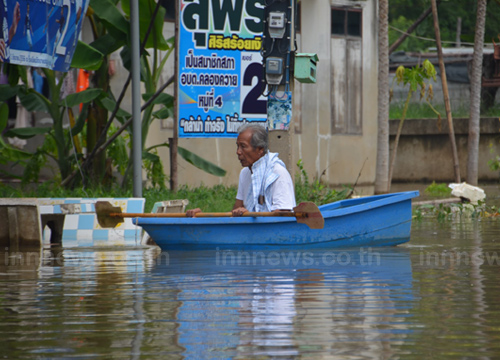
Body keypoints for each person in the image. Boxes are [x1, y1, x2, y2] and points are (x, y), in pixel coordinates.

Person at [186, 123, 296, 217]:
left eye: (243, 146)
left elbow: (283, 214)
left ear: (260, 150)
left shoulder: (277, 173)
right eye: (238, 146)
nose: (238, 152)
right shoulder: (245, 173)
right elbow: (233, 213)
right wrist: (202, 216)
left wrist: (249, 215)